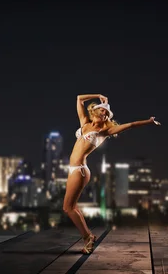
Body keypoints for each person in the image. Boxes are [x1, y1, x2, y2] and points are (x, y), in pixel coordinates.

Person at [63, 93, 161, 254]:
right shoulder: (84, 123)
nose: (105, 114)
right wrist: (99, 96)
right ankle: (89, 236)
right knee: (72, 207)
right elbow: (79, 98)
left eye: (107, 113)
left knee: (67, 208)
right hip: (72, 169)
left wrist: (148, 121)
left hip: (80, 170)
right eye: (103, 111)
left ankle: (87, 238)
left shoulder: (104, 131)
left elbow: (131, 125)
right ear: (96, 111)